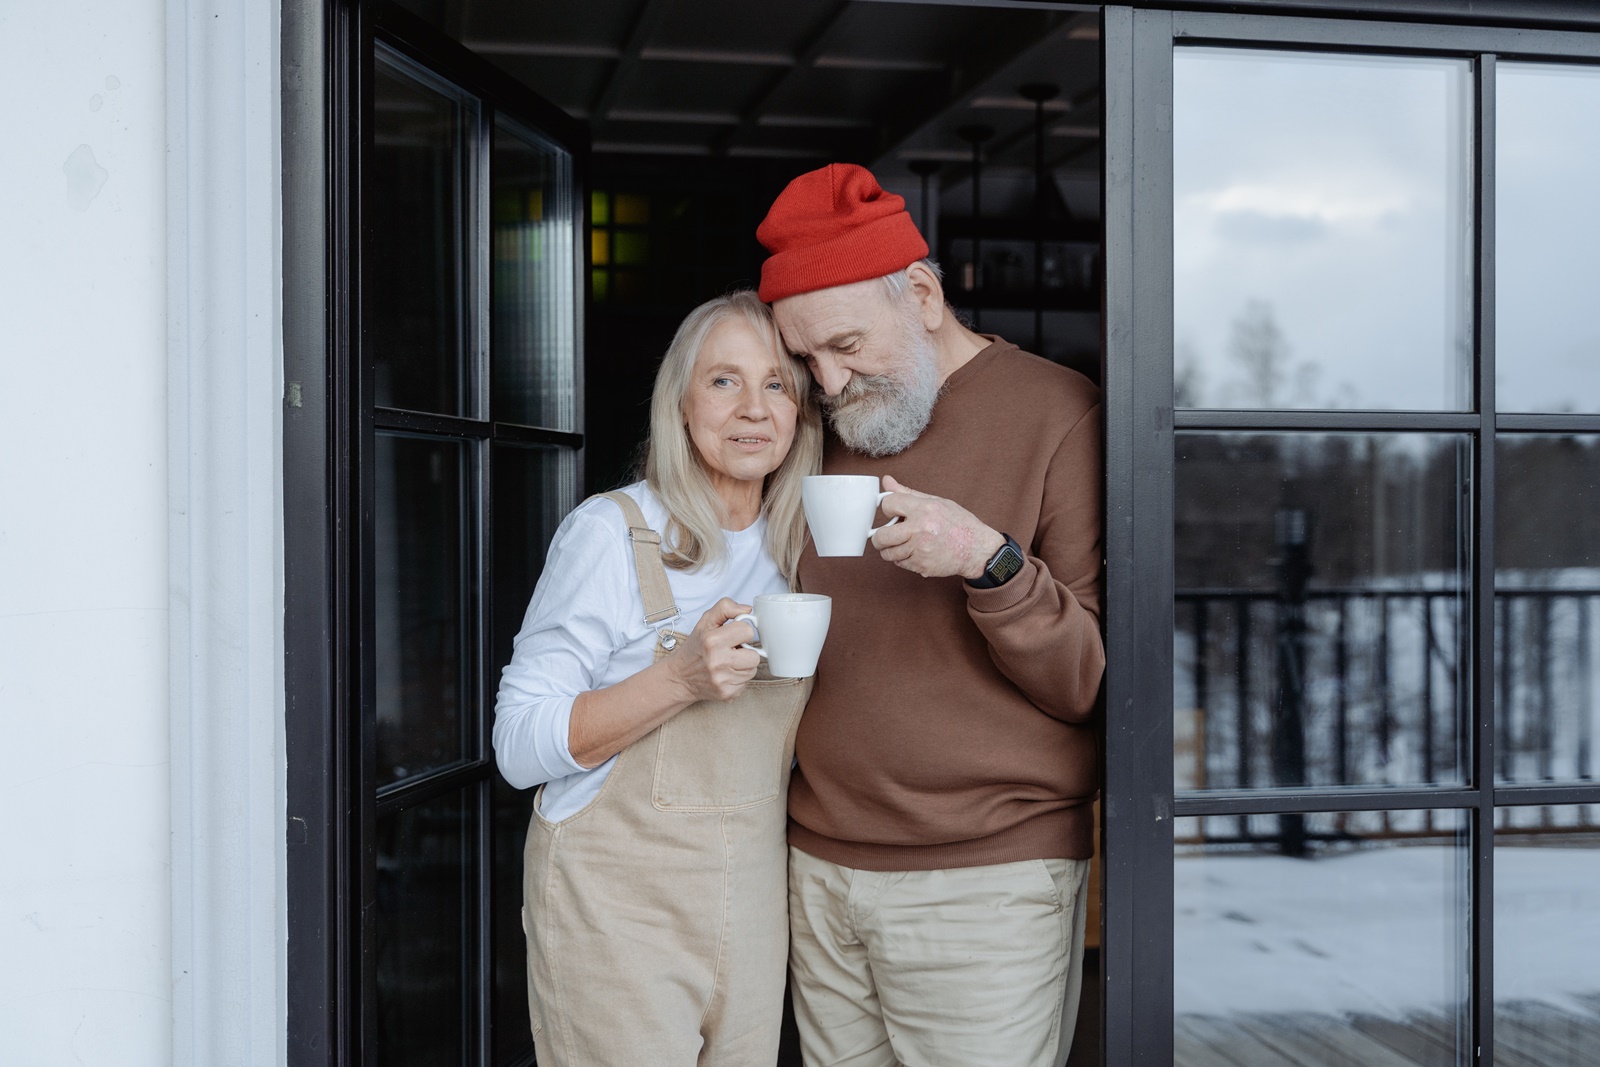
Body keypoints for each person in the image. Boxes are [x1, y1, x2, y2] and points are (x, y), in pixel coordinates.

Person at [757, 163, 1106, 1067]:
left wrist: (988, 562)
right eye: (806, 357)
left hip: (988, 879)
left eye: (844, 345)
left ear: (919, 293)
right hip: (817, 867)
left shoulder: (1060, 414)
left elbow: (1089, 683)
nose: (827, 381)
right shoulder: (814, 428)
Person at [492, 290, 822, 1066]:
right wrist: (678, 677)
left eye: (776, 384)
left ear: (802, 413)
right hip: (617, 914)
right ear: (679, 403)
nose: (753, 408)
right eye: (724, 381)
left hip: (750, 909)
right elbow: (516, 746)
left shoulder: (803, 548)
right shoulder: (610, 534)